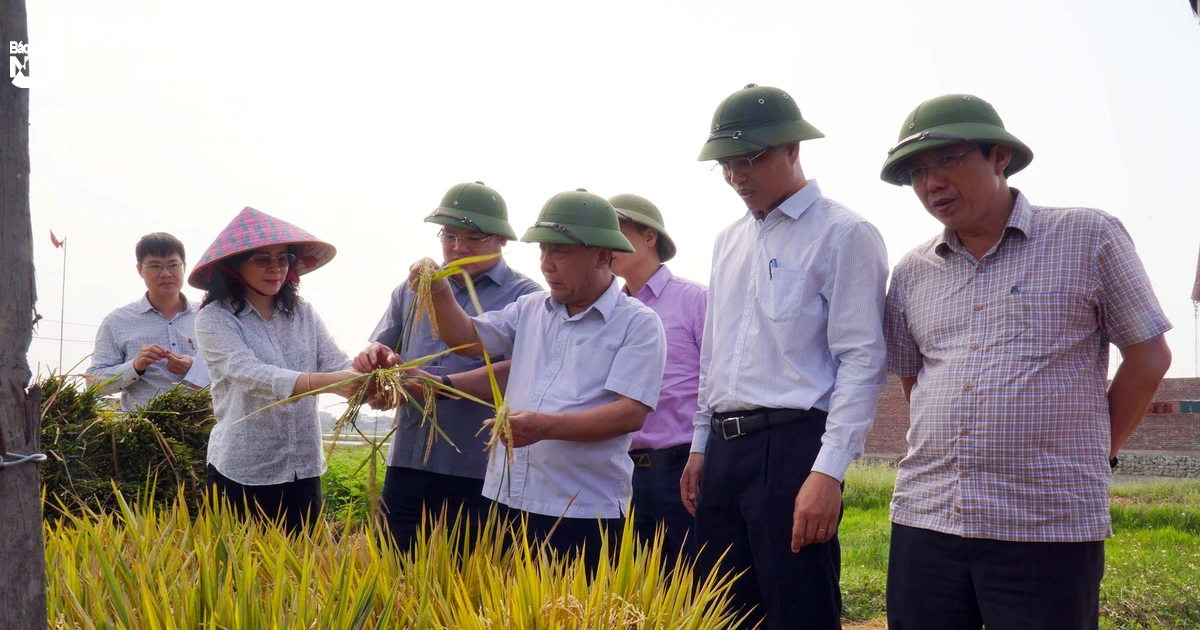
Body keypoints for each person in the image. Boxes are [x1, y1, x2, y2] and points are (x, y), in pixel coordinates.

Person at [879, 94, 1173, 630]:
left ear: (999, 157)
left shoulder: (1088, 236)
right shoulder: (912, 273)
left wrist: (1096, 447)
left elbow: (1149, 356)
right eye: (918, 172)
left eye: (948, 160)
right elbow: (915, 382)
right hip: (928, 517)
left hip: (1045, 520)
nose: (932, 183)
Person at [682, 84, 888, 629]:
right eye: (726, 164)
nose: (736, 177)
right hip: (725, 453)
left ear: (793, 149)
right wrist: (701, 445)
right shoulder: (728, 241)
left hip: (794, 447)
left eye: (749, 160)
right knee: (721, 611)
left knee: (798, 609)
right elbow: (715, 355)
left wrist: (829, 472)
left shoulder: (845, 234)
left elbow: (862, 361)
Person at [406, 188, 667, 572]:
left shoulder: (638, 323)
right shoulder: (531, 309)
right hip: (506, 498)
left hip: (582, 510)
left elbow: (628, 414)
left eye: (560, 252)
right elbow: (465, 340)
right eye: (544, 250)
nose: (546, 264)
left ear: (601, 255)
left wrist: (543, 426)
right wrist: (440, 289)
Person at [353, 182, 540, 552]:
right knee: (393, 572)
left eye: (474, 237)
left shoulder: (527, 298)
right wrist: (374, 361)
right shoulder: (410, 290)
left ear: (502, 240)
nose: (458, 247)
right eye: (449, 235)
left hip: (476, 466)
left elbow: (521, 373)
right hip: (408, 458)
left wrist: (438, 386)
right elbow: (384, 347)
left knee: (462, 585)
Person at [191, 207, 361, 533]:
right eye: (262, 260)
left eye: (283, 259)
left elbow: (336, 363)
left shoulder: (303, 313)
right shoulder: (215, 318)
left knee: (300, 571)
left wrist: (367, 372)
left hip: (303, 470)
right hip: (243, 471)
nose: (276, 269)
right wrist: (328, 383)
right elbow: (251, 374)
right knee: (241, 574)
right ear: (235, 266)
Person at [608, 193, 706, 568]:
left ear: (650, 237)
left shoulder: (695, 301)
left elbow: (717, 382)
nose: (608, 244)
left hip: (682, 468)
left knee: (691, 584)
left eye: (618, 231)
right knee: (632, 590)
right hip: (620, 469)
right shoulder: (609, 313)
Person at [86, 232, 209, 410]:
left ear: (184, 266)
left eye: (173, 265)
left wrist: (193, 365)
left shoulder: (207, 316)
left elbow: (231, 374)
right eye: (155, 266)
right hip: (142, 431)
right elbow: (93, 385)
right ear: (140, 269)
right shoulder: (117, 322)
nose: (166, 273)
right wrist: (135, 367)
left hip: (206, 430)